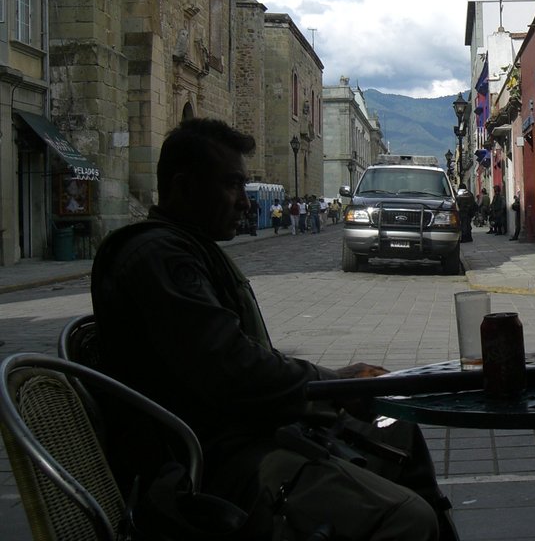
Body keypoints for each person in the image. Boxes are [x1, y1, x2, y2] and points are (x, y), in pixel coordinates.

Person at [90, 119, 454, 541]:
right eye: (231, 186)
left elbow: (241, 358)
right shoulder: (160, 257)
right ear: (184, 187)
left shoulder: (189, 249)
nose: (244, 204)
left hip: (253, 432)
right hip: (213, 464)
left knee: (398, 428)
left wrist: (333, 384)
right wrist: (331, 386)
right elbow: (234, 372)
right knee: (407, 518)